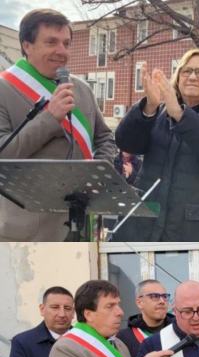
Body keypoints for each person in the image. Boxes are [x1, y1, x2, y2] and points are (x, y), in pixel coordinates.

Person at [0, 9, 117, 241]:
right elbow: (3, 152)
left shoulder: (81, 88)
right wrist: (49, 118)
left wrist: (99, 169)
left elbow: (105, 138)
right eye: (51, 42)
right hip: (26, 229)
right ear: (27, 45)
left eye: (66, 43)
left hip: (81, 221)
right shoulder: (4, 88)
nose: (62, 51)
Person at [115, 49, 199, 241]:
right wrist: (148, 107)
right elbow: (126, 142)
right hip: (145, 226)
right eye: (186, 71)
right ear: (178, 77)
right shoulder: (159, 113)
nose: (192, 77)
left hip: (196, 230)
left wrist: (181, 115)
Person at [117, 279, 176, 357]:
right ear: (139, 302)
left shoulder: (179, 330)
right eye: (155, 296)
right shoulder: (123, 338)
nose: (162, 301)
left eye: (165, 296)